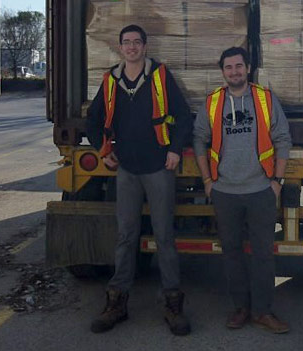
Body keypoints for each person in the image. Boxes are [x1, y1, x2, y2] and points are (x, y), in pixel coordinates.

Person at [86, 24, 193, 336]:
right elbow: (93, 121)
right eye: (126, 43)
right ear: (121, 48)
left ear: (145, 47)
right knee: (125, 237)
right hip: (127, 171)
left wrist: (175, 150)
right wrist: (103, 150)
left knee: (164, 237)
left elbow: (184, 116)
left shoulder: (160, 76)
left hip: (159, 168)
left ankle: (173, 304)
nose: (131, 47)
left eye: (137, 42)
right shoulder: (111, 80)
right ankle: (116, 303)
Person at [193, 47, 292, 332]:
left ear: (247, 68)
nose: (234, 71)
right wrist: (208, 181)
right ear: (222, 71)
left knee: (263, 253)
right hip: (224, 191)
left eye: (239, 66)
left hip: (261, 189)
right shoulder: (213, 102)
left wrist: (277, 182)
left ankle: (263, 311)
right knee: (232, 252)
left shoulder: (264, 99)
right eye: (228, 67)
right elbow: (199, 139)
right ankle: (240, 309)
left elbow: (283, 139)